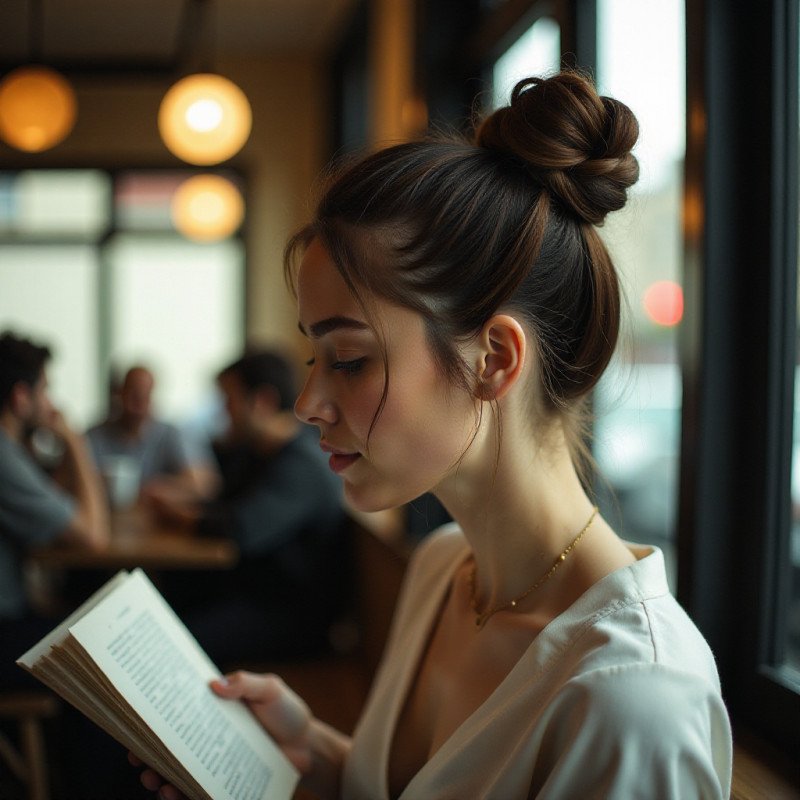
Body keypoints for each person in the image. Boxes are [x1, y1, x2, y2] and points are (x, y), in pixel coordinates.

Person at [135, 72, 733, 798]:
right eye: (312, 359)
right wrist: (311, 755)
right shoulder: (444, 568)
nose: (307, 403)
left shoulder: (634, 697)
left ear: (495, 360)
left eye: (349, 360)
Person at [148, 349, 349, 666]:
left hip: (288, 616)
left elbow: (239, 528)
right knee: (156, 600)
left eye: (229, 401)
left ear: (262, 401)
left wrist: (178, 512)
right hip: (249, 591)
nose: (224, 413)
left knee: (171, 642)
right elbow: (223, 504)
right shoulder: (258, 453)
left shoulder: (303, 462)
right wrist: (185, 502)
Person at [0, 331, 109, 685]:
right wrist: (75, 441)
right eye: (44, 388)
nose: (50, 401)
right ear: (20, 396)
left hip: (16, 610)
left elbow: (58, 502)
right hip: (5, 626)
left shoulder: (12, 451)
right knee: (102, 652)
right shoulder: (3, 456)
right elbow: (93, 537)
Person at [86, 364, 217, 504]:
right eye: (133, 395)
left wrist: (157, 488)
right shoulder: (95, 436)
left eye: (145, 395)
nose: (138, 405)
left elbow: (204, 484)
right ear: (120, 394)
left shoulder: (169, 434)